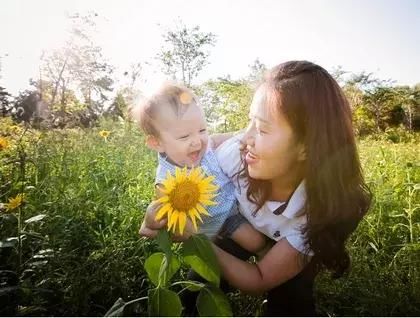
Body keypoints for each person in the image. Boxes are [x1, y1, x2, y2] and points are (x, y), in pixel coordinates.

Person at [139, 61, 371, 316]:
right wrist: (167, 210)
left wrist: (197, 239)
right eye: (249, 122)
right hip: (240, 223)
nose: (244, 139)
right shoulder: (234, 155)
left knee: (290, 300)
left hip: (291, 246)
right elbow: (194, 158)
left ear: (307, 146)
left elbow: (259, 278)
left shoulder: (319, 211)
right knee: (198, 286)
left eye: (261, 129)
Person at [132, 83, 266, 252]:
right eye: (184, 136)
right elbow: (168, 210)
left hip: (236, 204)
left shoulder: (206, 146)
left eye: (202, 130)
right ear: (157, 143)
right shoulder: (166, 178)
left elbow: (219, 139)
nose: (198, 141)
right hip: (216, 222)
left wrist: (243, 135)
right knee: (255, 242)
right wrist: (155, 222)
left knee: (258, 236)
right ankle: (260, 262)